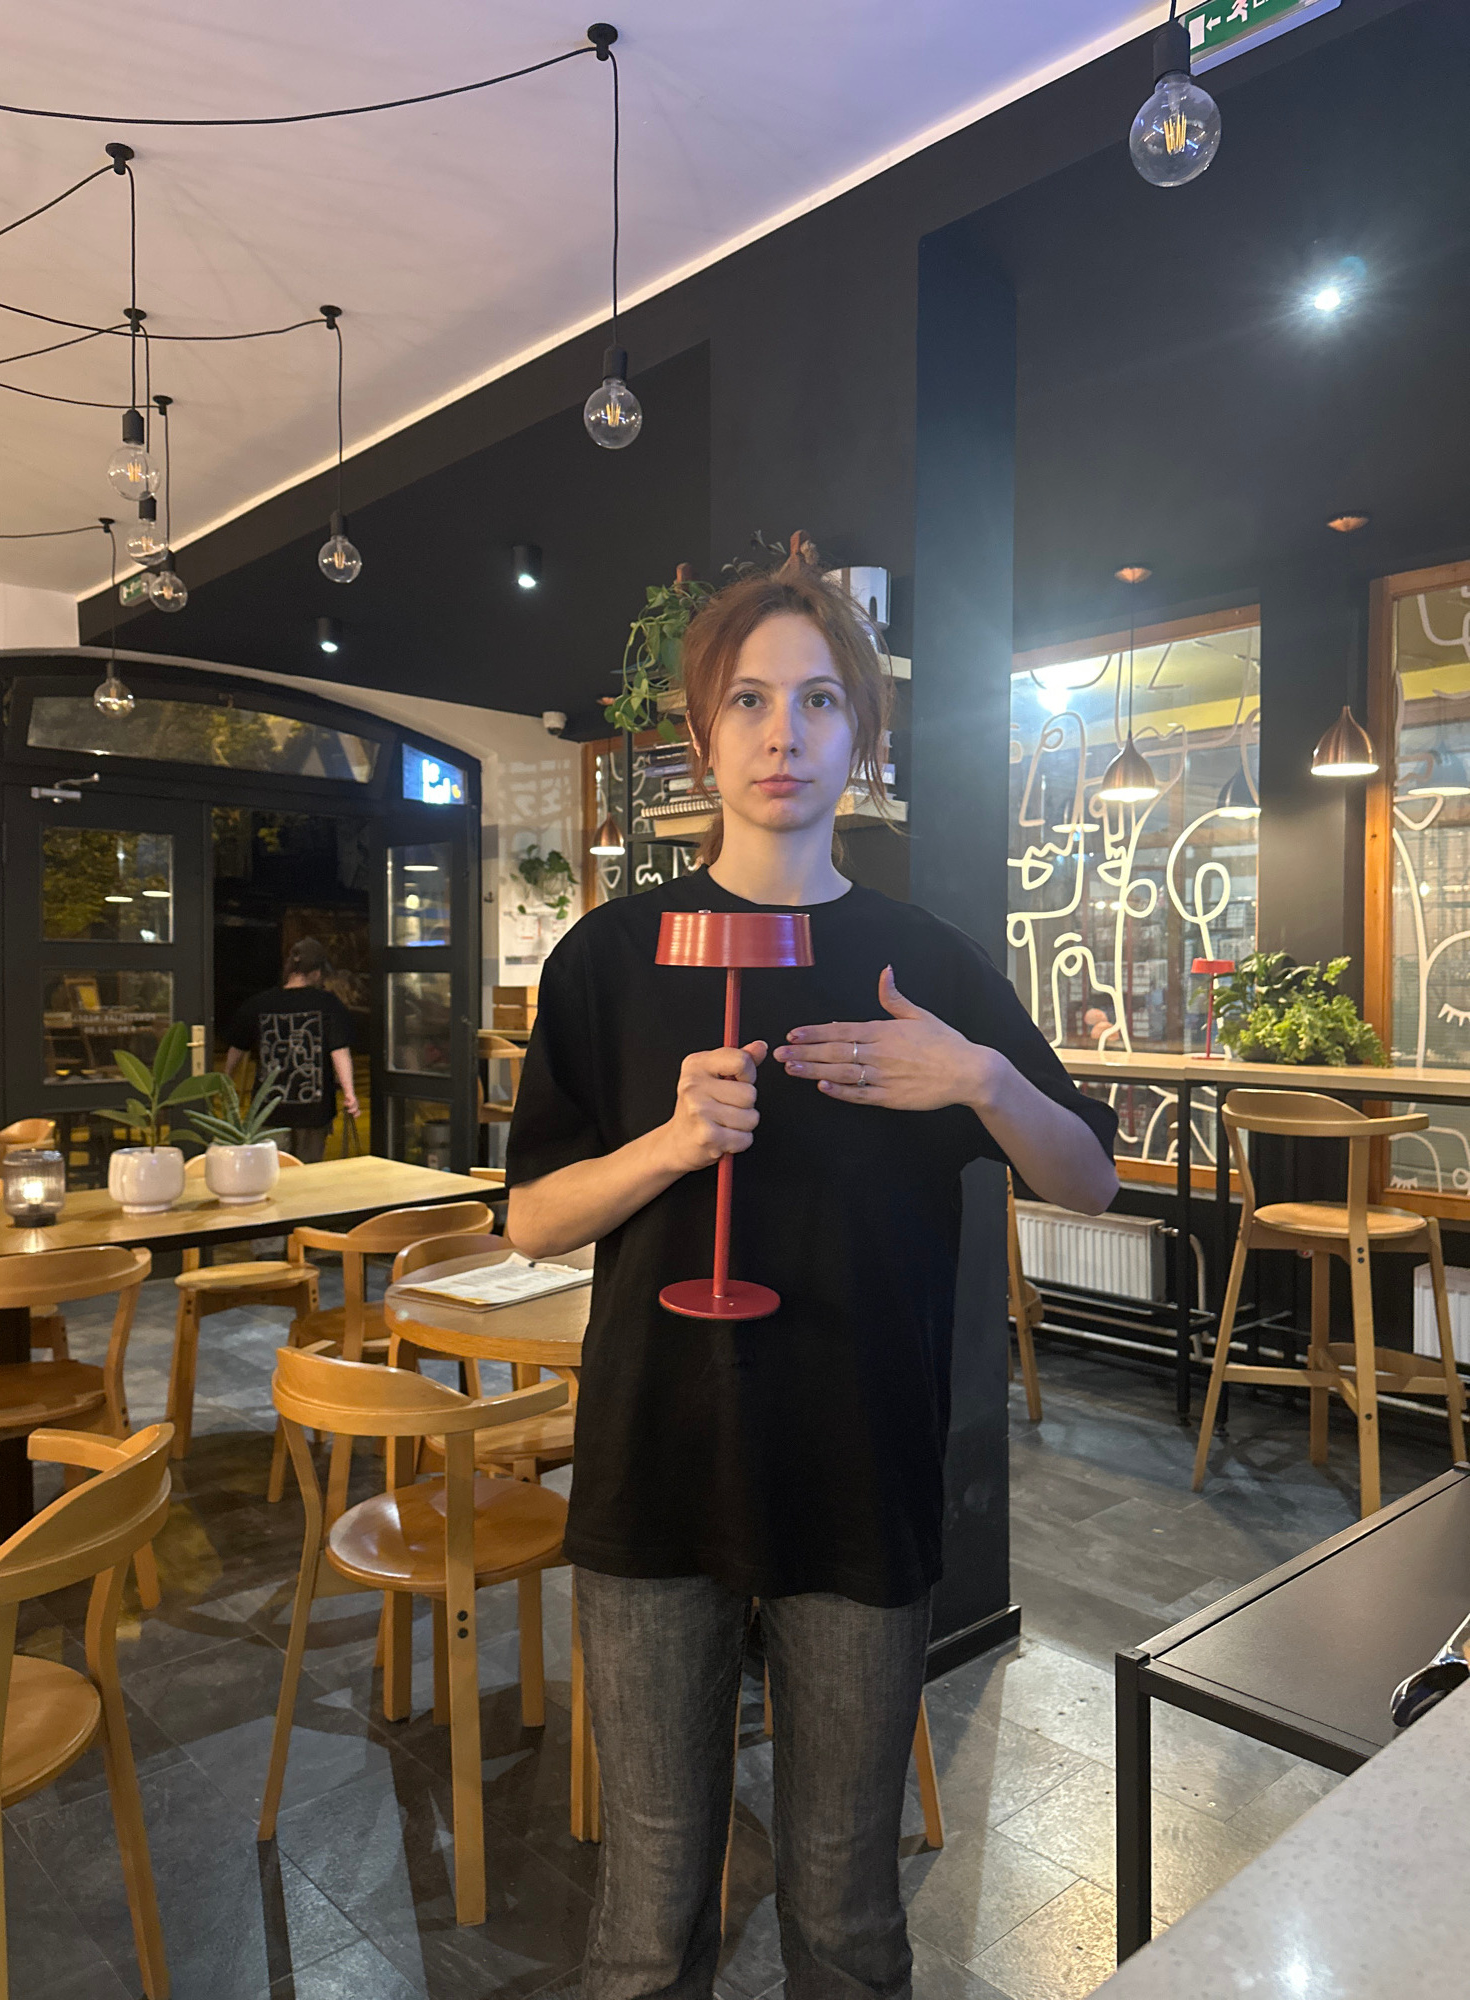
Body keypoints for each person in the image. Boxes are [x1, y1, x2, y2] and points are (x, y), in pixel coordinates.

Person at [506, 558, 1118, 1999]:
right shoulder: (608, 957)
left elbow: (1089, 1178)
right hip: (655, 1465)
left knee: (845, 1914)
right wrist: (670, 1143)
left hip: (856, 1467)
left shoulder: (927, 965)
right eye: (750, 700)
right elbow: (531, 1219)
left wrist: (976, 1078)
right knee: (647, 1917)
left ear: (864, 739)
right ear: (703, 735)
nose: (784, 733)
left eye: (821, 700)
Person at [224, 937, 359, 1164]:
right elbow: (339, 1051)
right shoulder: (327, 1004)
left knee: (272, 1173)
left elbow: (237, 1047)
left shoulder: (260, 1004)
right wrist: (349, 1093)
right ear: (316, 972)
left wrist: (226, 1079)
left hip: (269, 1110)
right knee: (309, 1174)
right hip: (314, 1112)